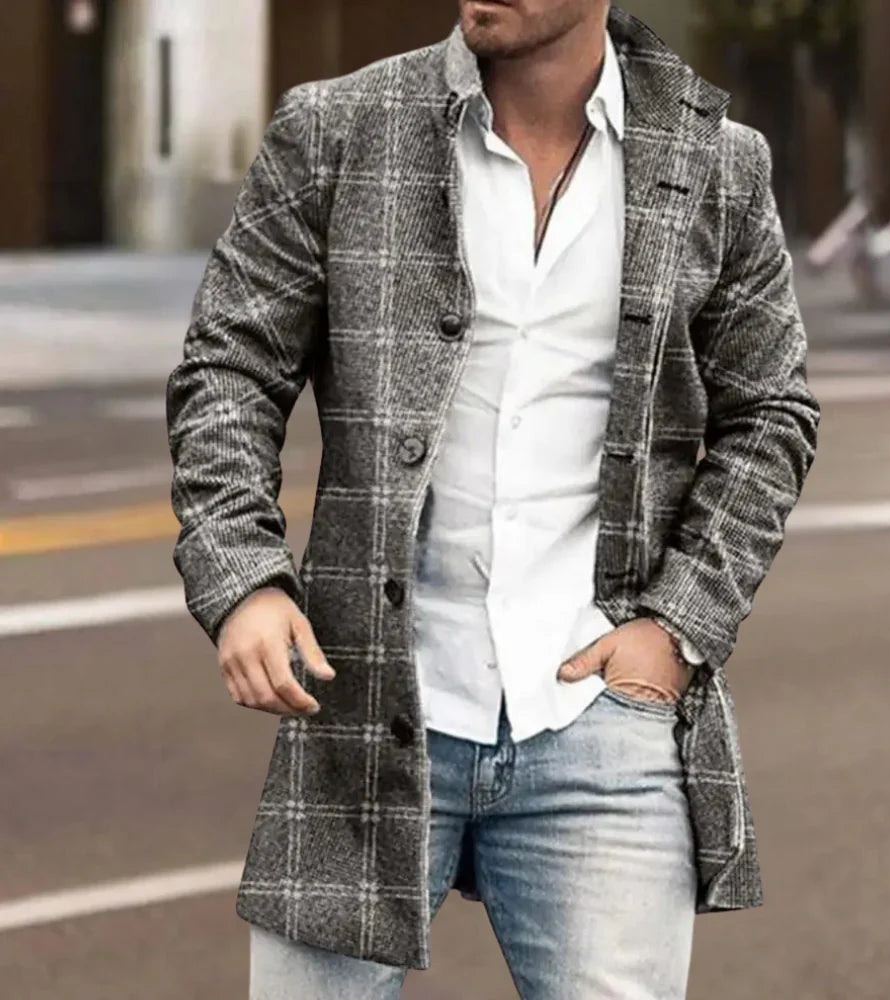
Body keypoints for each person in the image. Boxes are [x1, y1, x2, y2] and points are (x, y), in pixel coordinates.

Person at [165, 2, 820, 997]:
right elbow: (229, 366)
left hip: (596, 712)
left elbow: (770, 414)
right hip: (369, 704)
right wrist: (245, 577)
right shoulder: (339, 129)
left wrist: (676, 628)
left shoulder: (716, 163)